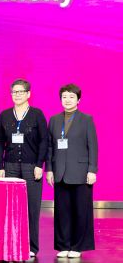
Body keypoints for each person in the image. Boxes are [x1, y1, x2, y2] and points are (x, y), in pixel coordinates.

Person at [0, 79, 47, 258]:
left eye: (20, 92)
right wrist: (0, 166)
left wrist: (40, 165)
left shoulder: (37, 114)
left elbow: (44, 141)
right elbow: (0, 142)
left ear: (28, 94)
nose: (17, 95)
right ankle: (12, 243)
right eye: (14, 92)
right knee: (9, 207)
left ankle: (32, 246)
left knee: (32, 207)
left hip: (31, 167)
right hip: (10, 166)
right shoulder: (4, 115)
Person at [46, 84, 98, 259]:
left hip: (81, 172)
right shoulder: (54, 120)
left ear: (78, 100)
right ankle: (63, 245)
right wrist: (49, 170)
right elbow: (50, 147)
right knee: (62, 211)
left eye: (71, 97)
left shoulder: (86, 119)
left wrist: (92, 170)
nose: (67, 100)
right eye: (64, 97)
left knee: (81, 211)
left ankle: (77, 246)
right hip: (59, 172)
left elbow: (93, 146)